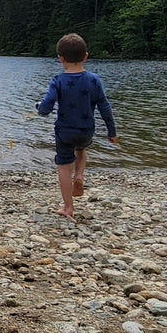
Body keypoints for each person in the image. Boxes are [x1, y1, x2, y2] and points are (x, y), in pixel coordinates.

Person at [35, 33, 117, 218]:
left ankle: (68, 207)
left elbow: (46, 107)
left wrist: (39, 109)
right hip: (86, 129)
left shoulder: (58, 81)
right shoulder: (94, 79)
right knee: (81, 149)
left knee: (64, 165)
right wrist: (112, 131)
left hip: (65, 131)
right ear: (85, 56)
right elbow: (105, 106)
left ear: (61, 59)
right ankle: (79, 175)